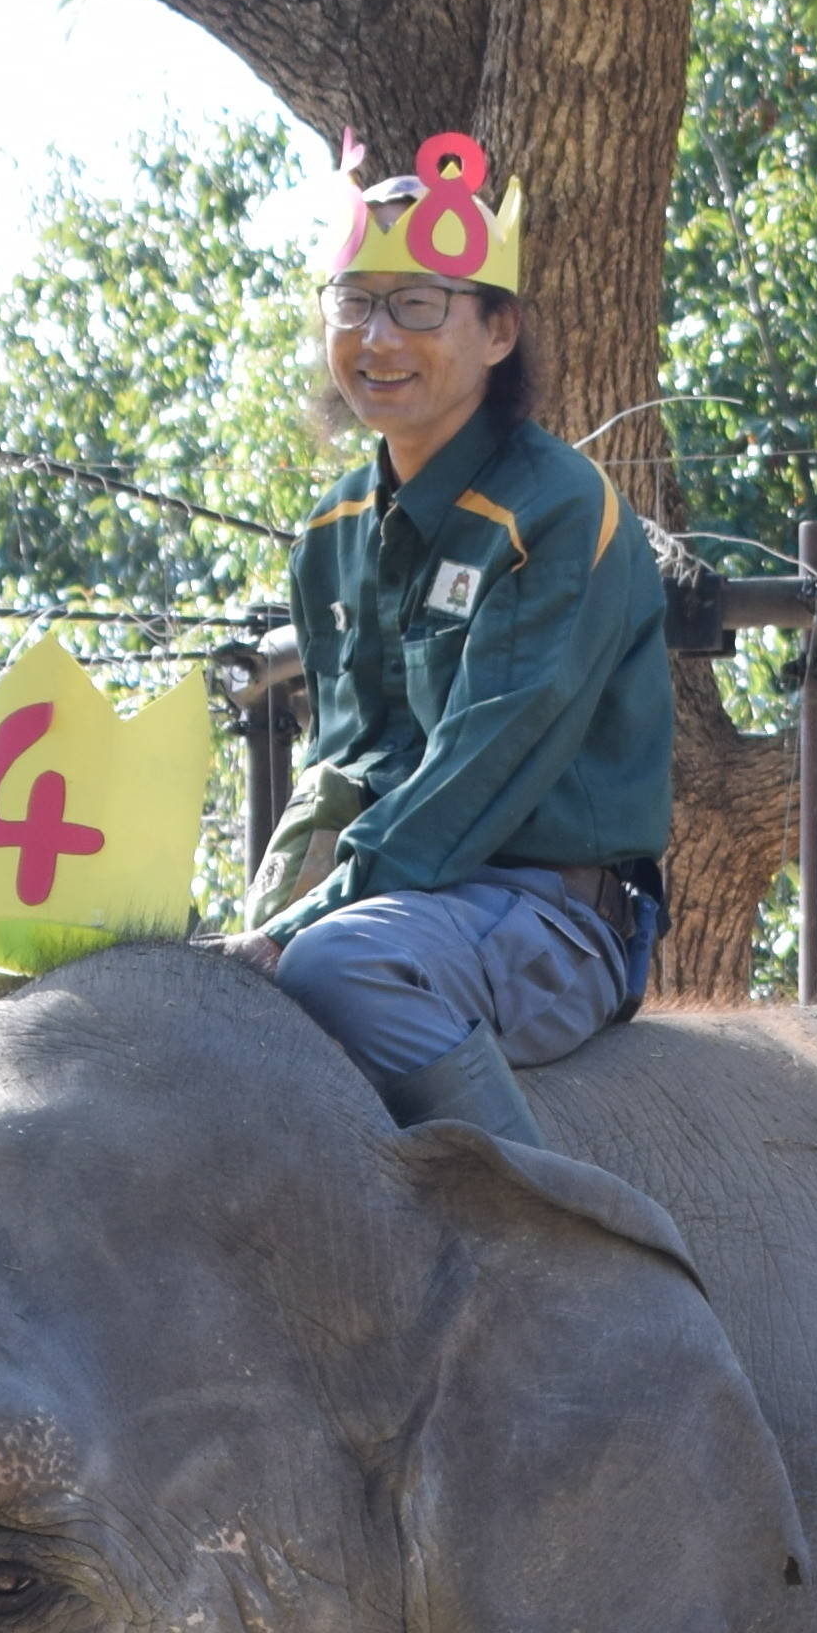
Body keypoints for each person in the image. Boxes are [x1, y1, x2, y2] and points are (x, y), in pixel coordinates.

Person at [227, 134, 674, 1149]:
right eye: (355, 303)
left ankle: (537, 1235)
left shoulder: (559, 509)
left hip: (550, 918)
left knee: (339, 969)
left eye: (419, 305)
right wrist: (250, 926)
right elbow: (342, 773)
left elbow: (476, 778)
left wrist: (295, 933)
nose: (378, 339)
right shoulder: (333, 534)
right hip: (397, 900)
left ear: (499, 331)